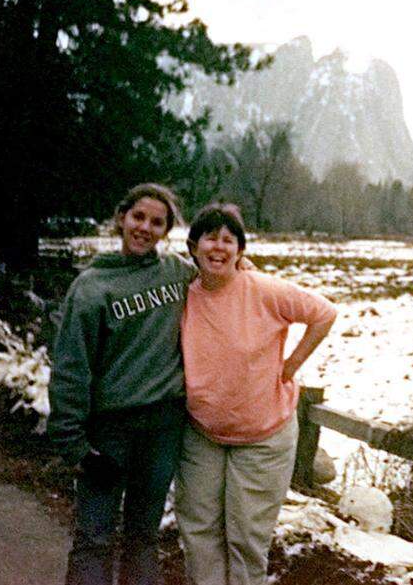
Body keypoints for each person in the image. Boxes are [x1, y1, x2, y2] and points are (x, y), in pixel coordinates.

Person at [176, 203, 336, 585]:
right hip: (202, 435)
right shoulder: (182, 293)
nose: (218, 247)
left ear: (241, 251)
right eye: (209, 238)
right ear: (194, 246)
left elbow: (324, 313)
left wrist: (291, 366)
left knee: (246, 540)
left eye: (228, 240)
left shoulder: (264, 290)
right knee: (199, 534)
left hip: (263, 438)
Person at [48, 183, 195, 585]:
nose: (145, 227)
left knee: (143, 538)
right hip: (109, 432)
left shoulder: (179, 274)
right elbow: (71, 368)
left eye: (157, 222)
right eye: (139, 217)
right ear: (121, 219)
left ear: (166, 231)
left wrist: (244, 268)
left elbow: (224, 281)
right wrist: (75, 444)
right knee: (94, 537)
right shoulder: (92, 287)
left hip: (163, 428)